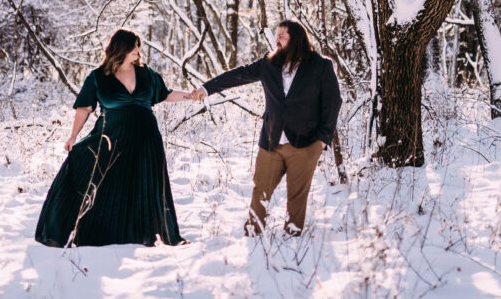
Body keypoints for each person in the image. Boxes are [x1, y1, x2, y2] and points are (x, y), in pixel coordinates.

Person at [35, 29, 194, 247]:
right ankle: (94, 232)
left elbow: (165, 94)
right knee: (107, 184)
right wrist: (73, 136)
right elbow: (85, 108)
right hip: (112, 135)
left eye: (139, 48)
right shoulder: (98, 77)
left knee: (146, 184)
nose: (139, 52)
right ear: (122, 49)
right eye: (134, 48)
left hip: (146, 138)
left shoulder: (148, 74)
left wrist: (190, 96)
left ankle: (157, 235)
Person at [191, 20, 341, 236]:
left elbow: (333, 102)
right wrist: (206, 89)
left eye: (282, 35)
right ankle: (253, 232)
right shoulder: (269, 63)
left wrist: (322, 139)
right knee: (261, 188)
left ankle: (293, 236)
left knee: (297, 194)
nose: (277, 39)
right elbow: (238, 75)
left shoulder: (321, 66)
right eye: (277, 34)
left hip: (306, 141)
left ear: (297, 38)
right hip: (271, 139)